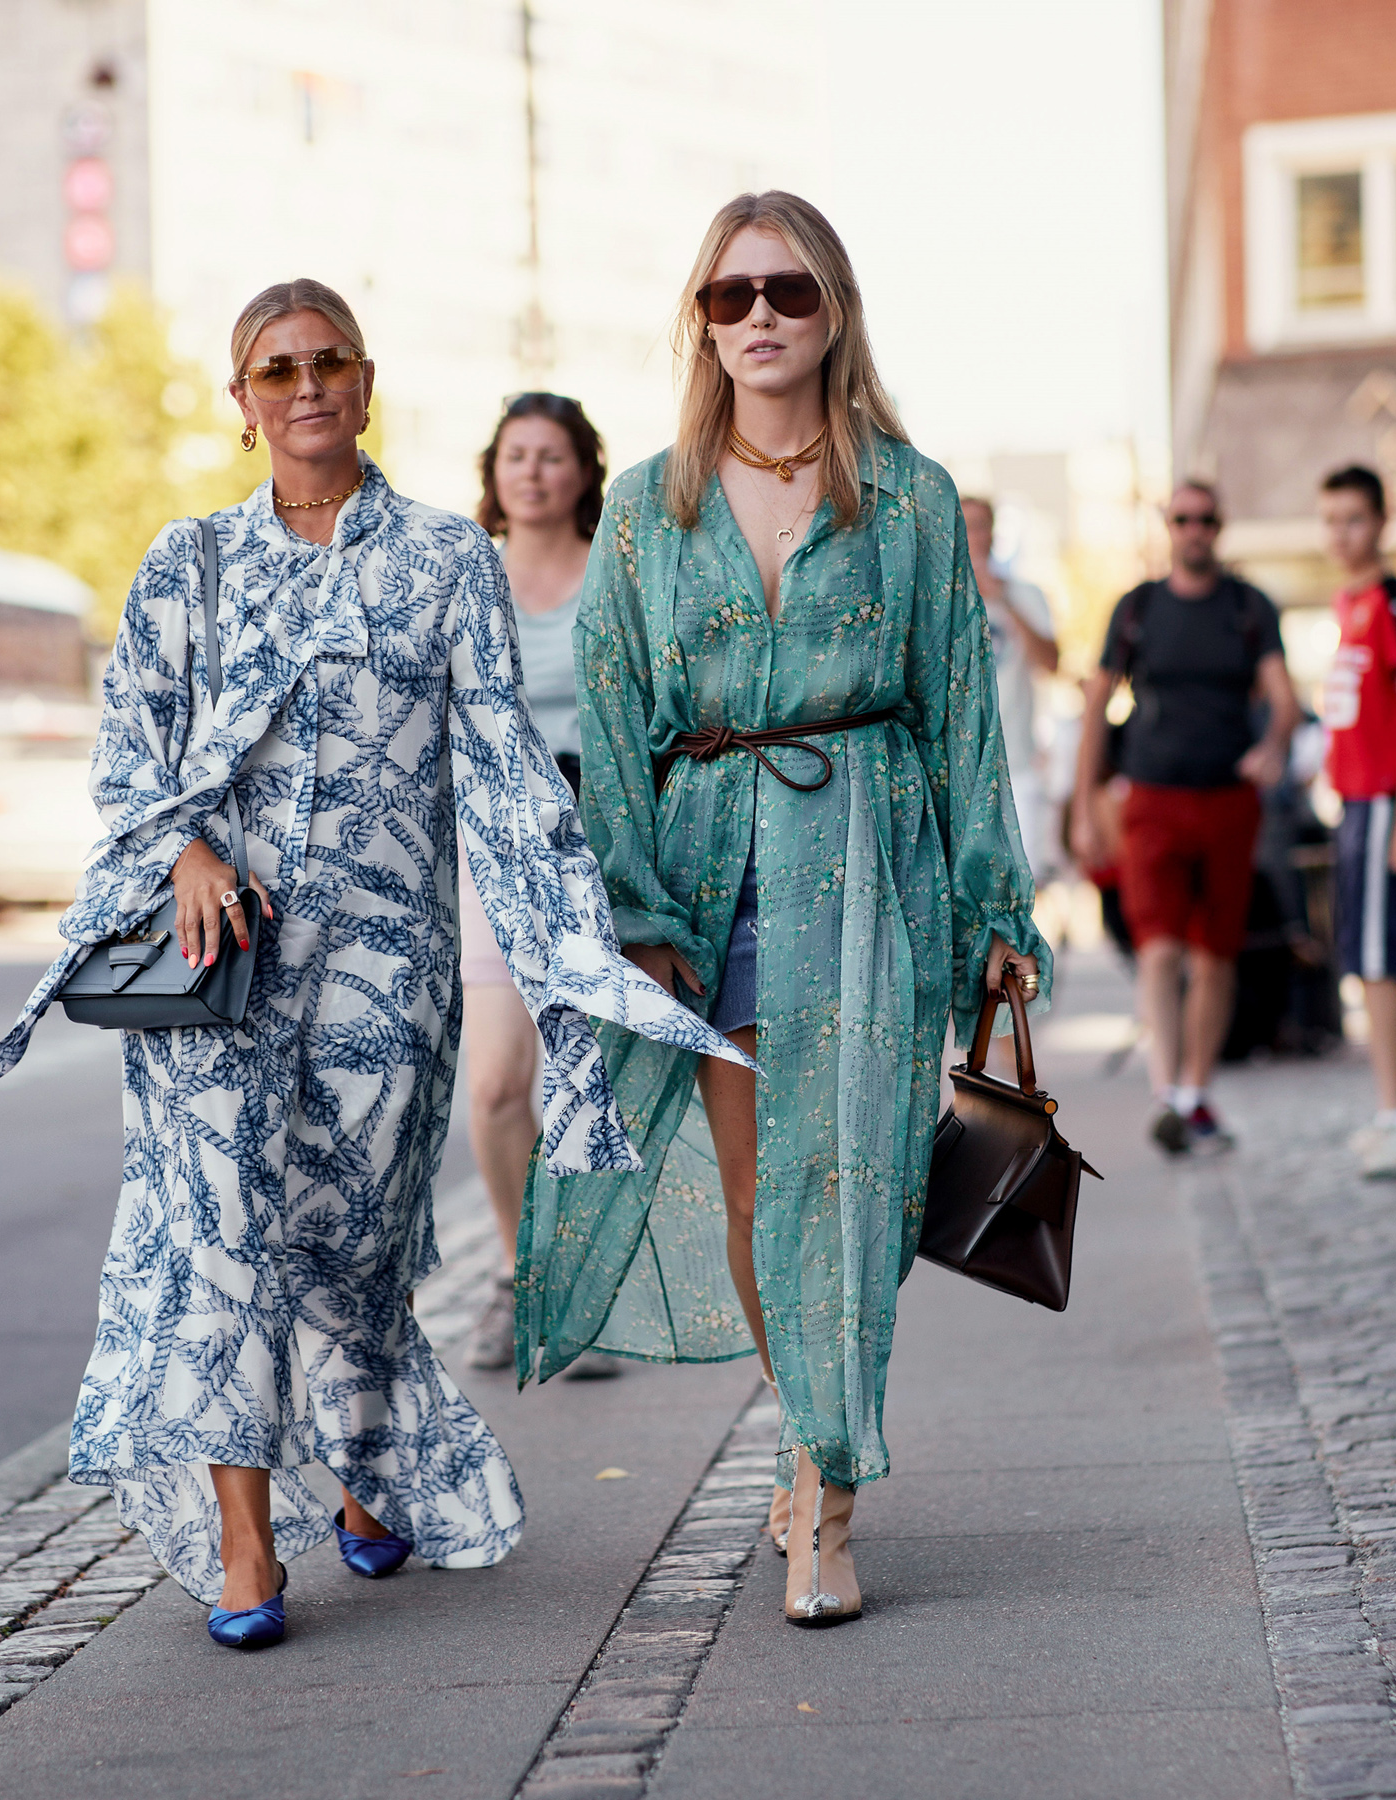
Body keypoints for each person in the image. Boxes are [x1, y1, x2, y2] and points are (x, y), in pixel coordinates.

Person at [0, 279, 743, 1651]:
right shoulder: (190, 564)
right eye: (276, 370)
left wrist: (587, 942)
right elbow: (129, 750)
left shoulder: (447, 560)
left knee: (361, 1237)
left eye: (328, 361)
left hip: (388, 971)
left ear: (368, 381)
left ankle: (369, 1461)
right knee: (223, 1242)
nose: (306, 386)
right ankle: (245, 1543)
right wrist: (185, 853)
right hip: (215, 969)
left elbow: (503, 765)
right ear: (243, 401)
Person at [516, 191, 1047, 1630]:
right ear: (700, 322)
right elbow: (613, 715)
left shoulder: (910, 497)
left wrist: (994, 904)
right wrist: (634, 907)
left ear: (834, 312)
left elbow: (960, 709)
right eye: (730, 294)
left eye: (789, 291)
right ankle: (808, 1426)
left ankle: (827, 1494)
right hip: (709, 873)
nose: (759, 316)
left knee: (855, 1181)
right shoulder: (647, 506)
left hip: (870, 859)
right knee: (758, 1190)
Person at [457, 393, 623, 1381]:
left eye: (551, 455)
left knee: (582, 1085)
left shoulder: (615, 574)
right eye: (515, 454)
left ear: (582, 472)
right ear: (495, 470)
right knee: (494, 1085)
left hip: (596, 855)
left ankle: (577, 1295)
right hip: (491, 850)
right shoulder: (464, 573)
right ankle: (522, 1271)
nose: (531, 471)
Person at [1072, 479, 1294, 1155]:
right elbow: (1096, 706)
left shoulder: (1248, 606)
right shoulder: (1137, 608)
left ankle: (1196, 1093)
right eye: (1183, 519)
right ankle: (1166, 1094)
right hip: (1152, 800)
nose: (1195, 530)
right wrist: (1083, 807)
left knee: (1216, 957)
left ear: (1219, 527)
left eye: (1206, 520)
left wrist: (1274, 745)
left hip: (1228, 800)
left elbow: (1284, 697)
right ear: (1168, 527)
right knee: (1160, 949)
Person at [1318, 464, 1396, 1178]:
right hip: (1357, 802)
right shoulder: (1350, 603)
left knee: (1380, 961)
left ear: (1380, 522)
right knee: (1369, 964)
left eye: (1354, 519)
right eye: (1331, 520)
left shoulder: (1393, 604)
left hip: (1386, 802)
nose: (1341, 534)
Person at [962, 494, 1061, 880]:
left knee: (1023, 885)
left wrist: (1003, 600)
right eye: (964, 526)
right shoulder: (937, 599)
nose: (973, 536)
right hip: (960, 771)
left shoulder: (1026, 595)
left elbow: (1051, 663)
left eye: (980, 526)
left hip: (1018, 765)